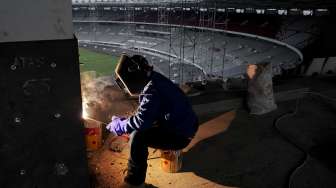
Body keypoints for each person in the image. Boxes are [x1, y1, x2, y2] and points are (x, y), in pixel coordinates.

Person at [106, 55, 198, 187]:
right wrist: (128, 122)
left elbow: (142, 122)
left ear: (134, 77)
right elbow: (148, 112)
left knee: (137, 137)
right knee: (137, 125)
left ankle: (134, 183)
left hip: (181, 135)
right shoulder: (153, 79)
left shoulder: (152, 89)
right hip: (184, 124)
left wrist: (122, 125)